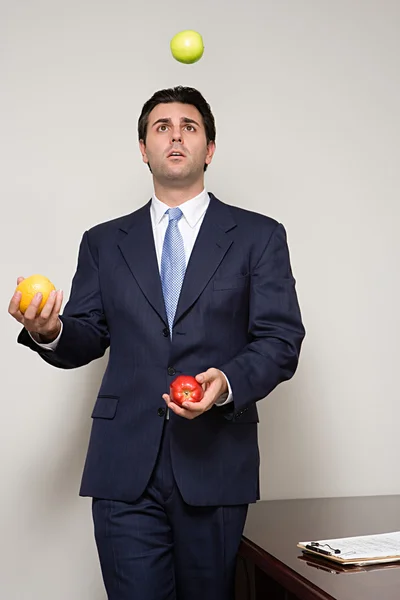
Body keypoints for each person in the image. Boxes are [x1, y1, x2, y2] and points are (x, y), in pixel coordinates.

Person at [9, 86, 305, 600]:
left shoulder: (259, 236)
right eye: (161, 127)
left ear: (209, 149)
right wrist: (49, 330)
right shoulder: (103, 241)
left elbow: (281, 339)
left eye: (189, 127)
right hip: (124, 467)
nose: (175, 135)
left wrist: (228, 382)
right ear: (142, 148)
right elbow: (87, 334)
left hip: (215, 464)